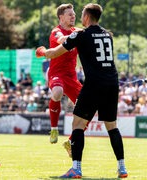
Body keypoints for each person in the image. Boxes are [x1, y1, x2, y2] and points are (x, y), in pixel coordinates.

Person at [36, 3, 128, 178]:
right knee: (112, 128)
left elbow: (54, 53)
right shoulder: (108, 35)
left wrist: (42, 52)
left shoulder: (81, 35)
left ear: (86, 17)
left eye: (79, 14)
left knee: (77, 125)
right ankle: (122, 168)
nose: (76, 17)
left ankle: (76, 169)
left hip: (94, 85)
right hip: (112, 83)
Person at [42, 3, 83, 145]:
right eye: (70, 14)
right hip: (57, 74)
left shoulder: (77, 31)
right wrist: (78, 34)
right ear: (61, 17)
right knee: (58, 91)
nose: (73, 16)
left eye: (74, 14)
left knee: (88, 107)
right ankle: (54, 128)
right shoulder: (56, 31)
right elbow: (61, 39)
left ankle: (71, 141)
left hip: (72, 77)